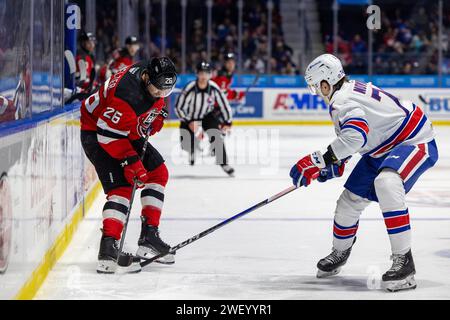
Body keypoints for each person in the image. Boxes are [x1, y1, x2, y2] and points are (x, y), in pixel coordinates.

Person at [289, 54, 438, 292]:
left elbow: (356, 137)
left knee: (387, 183)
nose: (316, 92)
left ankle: (404, 261)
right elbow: (360, 134)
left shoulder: (341, 101)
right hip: (384, 147)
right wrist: (334, 162)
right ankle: (340, 252)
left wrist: (319, 161)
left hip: (414, 140)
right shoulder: (347, 91)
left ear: (326, 83)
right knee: (349, 202)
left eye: (316, 86)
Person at [80, 57, 178, 274]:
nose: (161, 95)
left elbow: (148, 104)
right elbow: (107, 135)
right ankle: (108, 250)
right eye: (158, 90)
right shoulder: (127, 96)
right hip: (97, 133)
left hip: (122, 128)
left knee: (158, 173)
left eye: (166, 92)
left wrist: (154, 112)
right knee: (122, 189)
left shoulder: (149, 75)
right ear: (145, 78)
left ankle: (148, 238)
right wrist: (131, 163)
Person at [175, 61, 234, 176]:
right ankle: (191, 150)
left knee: (216, 136)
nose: (203, 77)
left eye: (206, 74)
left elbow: (224, 105)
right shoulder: (190, 88)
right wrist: (188, 121)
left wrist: (228, 121)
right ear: (197, 74)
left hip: (207, 116)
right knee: (185, 144)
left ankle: (224, 164)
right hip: (190, 117)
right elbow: (179, 108)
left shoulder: (213, 88)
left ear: (210, 75)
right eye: (201, 73)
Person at [75, 32, 97, 98]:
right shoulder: (83, 57)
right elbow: (84, 80)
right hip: (81, 92)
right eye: (89, 43)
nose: (92, 45)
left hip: (83, 90)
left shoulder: (89, 56)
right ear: (83, 43)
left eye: (93, 42)